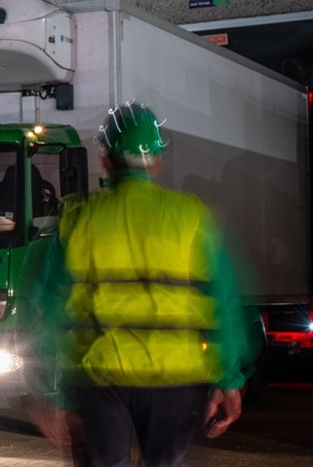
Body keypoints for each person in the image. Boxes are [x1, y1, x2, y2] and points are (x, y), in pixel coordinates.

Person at [24, 102, 255, 467]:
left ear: (105, 160)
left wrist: (49, 392)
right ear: (157, 161)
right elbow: (224, 305)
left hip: (100, 378)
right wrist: (228, 378)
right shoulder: (192, 217)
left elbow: (45, 309)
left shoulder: (76, 218)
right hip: (176, 380)